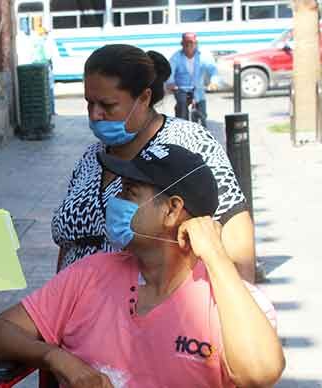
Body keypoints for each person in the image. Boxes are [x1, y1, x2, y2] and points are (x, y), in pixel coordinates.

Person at [0, 144, 285, 387]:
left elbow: (259, 374)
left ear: (172, 210)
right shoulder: (90, 274)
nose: (114, 201)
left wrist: (217, 258)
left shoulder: (230, 300)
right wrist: (56, 358)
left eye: (129, 192)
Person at [51, 44, 256, 282]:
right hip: (75, 308)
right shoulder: (91, 158)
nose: (95, 114)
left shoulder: (189, 142)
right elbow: (68, 243)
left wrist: (239, 303)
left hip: (148, 311)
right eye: (89, 103)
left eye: (107, 105)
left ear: (144, 98)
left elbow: (236, 237)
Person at [166, 32, 219, 123]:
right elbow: (170, 71)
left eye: (191, 43)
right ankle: (181, 129)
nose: (189, 46)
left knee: (202, 115)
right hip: (181, 89)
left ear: (196, 44)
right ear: (182, 44)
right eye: (186, 43)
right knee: (182, 112)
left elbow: (213, 70)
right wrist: (171, 83)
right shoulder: (176, 57)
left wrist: (214, 82)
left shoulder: (203, 56)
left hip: (198, 89)